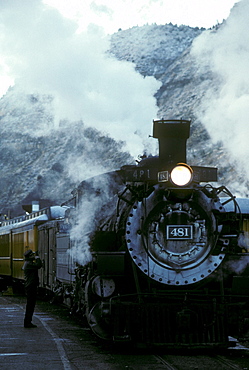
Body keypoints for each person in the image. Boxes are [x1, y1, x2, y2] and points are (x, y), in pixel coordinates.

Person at [22, 248, 42, 328]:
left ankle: (28, 321)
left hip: (30, 286)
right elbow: (39, 265)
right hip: (31, 286)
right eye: (32, 255)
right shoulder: (29, 264)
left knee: (30, 305)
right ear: (30, 256)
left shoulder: (28, 263)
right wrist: (38, 258)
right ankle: (27, 322)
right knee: (30, 305)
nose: (34, 256)